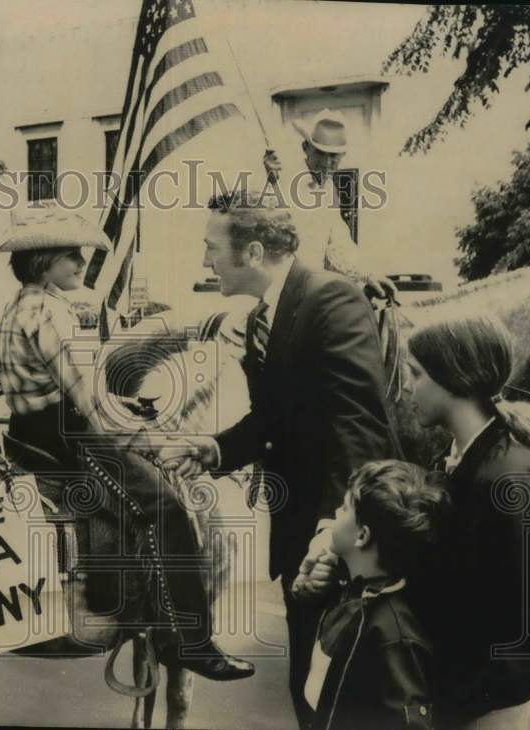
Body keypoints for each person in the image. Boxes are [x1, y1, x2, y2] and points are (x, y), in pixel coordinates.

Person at [167, 189, 398, 727]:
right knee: (309, 690)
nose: (205, 260)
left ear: (251, 252)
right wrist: (216, 448)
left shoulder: (331, 300)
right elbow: (275, 422)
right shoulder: (262, 318)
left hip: (338, 544)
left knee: (342, 699)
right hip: (302, 541)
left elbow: (359, 429)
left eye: (211, 248)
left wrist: (332, 535)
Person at [0, 206, 254, 681]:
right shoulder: (48, 313)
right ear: (43, 262)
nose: (81, 261)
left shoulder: (17, 305)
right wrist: (155, 440)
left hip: (29, 436)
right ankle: (188, 642)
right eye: (70, 254)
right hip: (72, 443)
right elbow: (92, 408)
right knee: (167, 508)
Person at [405, 313, 530, 729]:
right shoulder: (459, 460)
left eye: (416, 374)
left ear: (452, 377)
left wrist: (458, 697)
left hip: (482, 710)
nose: (407, 386)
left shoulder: (511, 479)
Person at [304, 460, 447, 730]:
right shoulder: (354, 591)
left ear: (362, 536)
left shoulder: (394, 634)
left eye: (345, 507)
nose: (336, 511)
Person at [264, 108, 396, 300]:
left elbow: (338, 242)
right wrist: (271, 180)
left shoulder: (327, 188)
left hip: (311, 291)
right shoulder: (284, 178)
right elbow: (268, 224)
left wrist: (368, 275)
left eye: (333, 156)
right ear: (305, 148)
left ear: (342, 156)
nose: (326, 163)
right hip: (280, 291)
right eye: (320, 153)